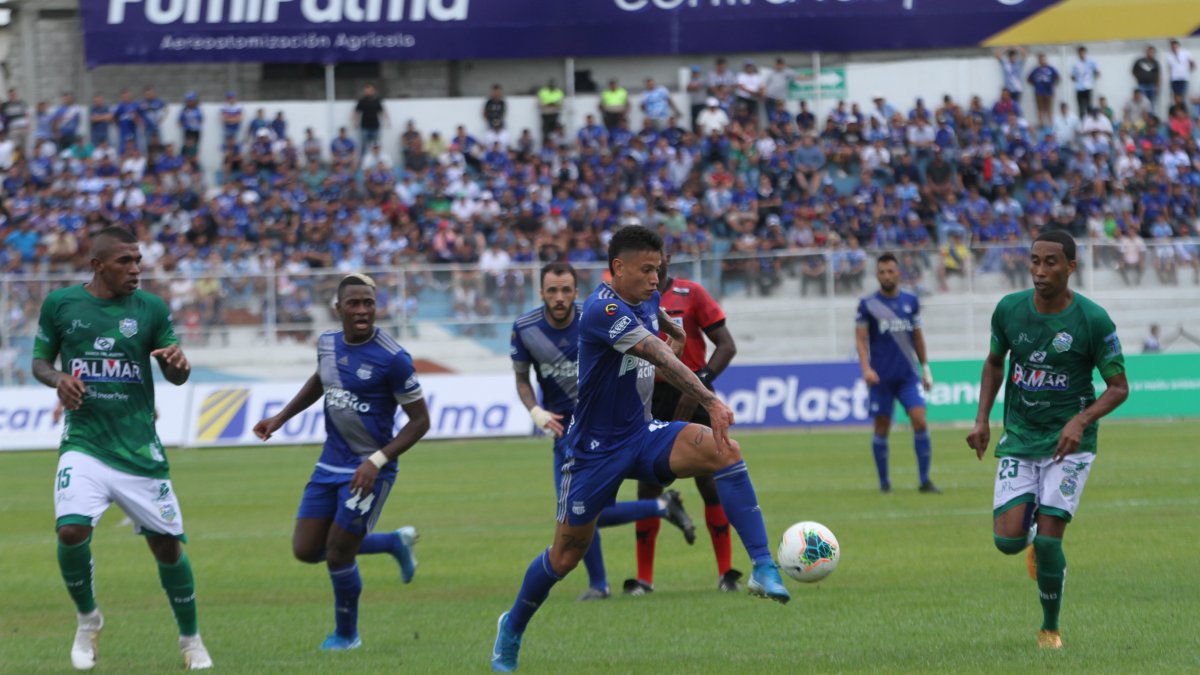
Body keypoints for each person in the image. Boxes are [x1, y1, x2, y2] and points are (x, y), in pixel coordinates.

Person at [491, 226, 789, 672]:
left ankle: (764, 567)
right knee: (566, 555)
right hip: (592, 451)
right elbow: (657, 354)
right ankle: (512, 626)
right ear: (618, 268)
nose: (656, 279)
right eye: (648, 270)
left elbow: (662, 348)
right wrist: (709, 397)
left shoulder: (646, 299)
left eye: (660, 268)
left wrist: (674, 335)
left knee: (725, 450)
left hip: (642, 433)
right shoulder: (602, 309)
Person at [31, 226, 213, 670]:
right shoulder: (61, 304)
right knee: (71, 530)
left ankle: (191, 640)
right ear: (97, 265)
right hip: (84, 441)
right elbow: (39, 362)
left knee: (167, 547)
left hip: (138, 448)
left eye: (138, 261)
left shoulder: (150, 309)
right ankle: (88, 620)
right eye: (124, 262)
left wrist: (178, 365)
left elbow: (175, 374)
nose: (135, 270)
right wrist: (59, 380)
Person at [966, 231, 1129, 650]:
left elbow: (1118, 387)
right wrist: (982, 419)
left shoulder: (1093, 320)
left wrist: (1080, 421)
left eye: (1051, 262)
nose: (1040, 270)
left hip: (1069, 444)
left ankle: (1050, 629)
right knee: (1007, 541)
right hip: (1020, 435)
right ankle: (1034, 535)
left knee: (1050, 539)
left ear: (1071, 267)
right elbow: (993, 363)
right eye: (1035, 261)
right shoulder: (1009, 311)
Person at [253, 273, 429, 651]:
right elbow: (321, 380)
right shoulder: (328, 344)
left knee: (337, 553)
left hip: (370, 469)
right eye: (354, 303)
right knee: (306, 550)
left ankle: (347, 635)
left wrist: (377, 461)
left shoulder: (393, 358)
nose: (363, 310)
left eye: (369, 302)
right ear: (339, 308)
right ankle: (394, 542)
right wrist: (280, 418)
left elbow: (421, 421)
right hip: (329, 463)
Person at [511, 262, 696, 602]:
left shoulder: (597, 318)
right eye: (552, 290)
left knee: (582, 513)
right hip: (563, 433)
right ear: (541, 293)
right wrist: (535, 410)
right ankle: (655, 513)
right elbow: (522, 379)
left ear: (576, 293)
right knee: (579, 513)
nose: (559, 297)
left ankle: (600, 582)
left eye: (566, 289)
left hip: (604, 428)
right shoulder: (524, 329)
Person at [630, 252, 743, 595]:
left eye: (657, 258)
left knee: (709, 481)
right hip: (649, 397)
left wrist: (700, 381)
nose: (653, 266)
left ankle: (726, 574)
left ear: (665, 259)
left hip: (693, 394)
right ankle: (644, 579)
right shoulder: (627, 302)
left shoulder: (691, 293)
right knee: (648, 485)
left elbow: (726, 346)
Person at [855, 253, 939, 495]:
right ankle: (884, 484)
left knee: (920, 420)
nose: (886, 276)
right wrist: (866, 369)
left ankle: (924, 480)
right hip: (880, 378)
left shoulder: (911, 301)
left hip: (907, 376)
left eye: (890, 271)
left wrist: (926, 369)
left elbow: (918, 338)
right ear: (877, 275)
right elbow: (860, 340)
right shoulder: (867, 304)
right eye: (882, 272)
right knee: (881, 427)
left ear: (898, 273)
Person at [353, 84, 388, 151]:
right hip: (364, 127)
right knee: (364, 146)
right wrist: (355, 122)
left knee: (376, 145)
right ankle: (363, 160)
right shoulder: (362, 101)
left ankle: (377, 160)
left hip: (375, 127)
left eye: (369, 91)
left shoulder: (377, 101)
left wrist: (387, 121)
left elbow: (382, 111)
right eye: (366, 91)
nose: (368, 92)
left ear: (373, 91)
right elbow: (356, 112)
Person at [1070, 46, 1100, 117]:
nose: (1082, 54)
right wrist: (1077, 79)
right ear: (1078, 54)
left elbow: (1097, 72)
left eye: (1083, 53)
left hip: (1088, 87)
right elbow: (1072, 76)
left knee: (1089, 106)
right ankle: (1082, 123)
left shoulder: (1091, 62)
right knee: (1081, 107)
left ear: (1085, 53)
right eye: (1080, 53)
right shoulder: (1075, 64)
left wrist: (1093, 78)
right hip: (1079, 88)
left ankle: (1089, 120)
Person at [536, 79, 564, 145]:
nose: (551, 87)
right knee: (545, 130)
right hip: (545, 113)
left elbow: (561, 104)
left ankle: (554, 144)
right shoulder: (543, 92)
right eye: (550, 85)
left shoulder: (559, 92)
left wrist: (550, 104)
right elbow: (539, 103)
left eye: (553, 85)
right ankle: (545, 144)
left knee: (555, 130)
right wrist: (551, 104)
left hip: (555, 113)